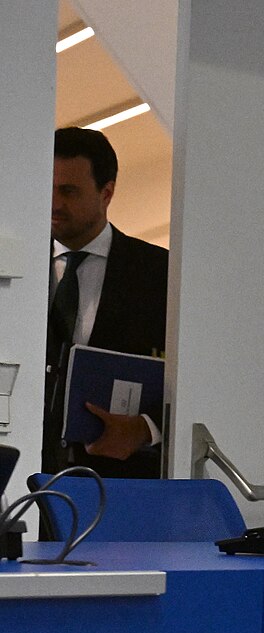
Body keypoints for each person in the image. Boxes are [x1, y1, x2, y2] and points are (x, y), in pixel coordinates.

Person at [46, 126, 168, 479]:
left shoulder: (160, 273)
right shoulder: (16, 268)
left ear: (107, 193)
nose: (54, 203)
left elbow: (195, 373)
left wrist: (146, 429)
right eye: (48, 187)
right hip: (25, 473)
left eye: (68, 191)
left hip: (118, 479)